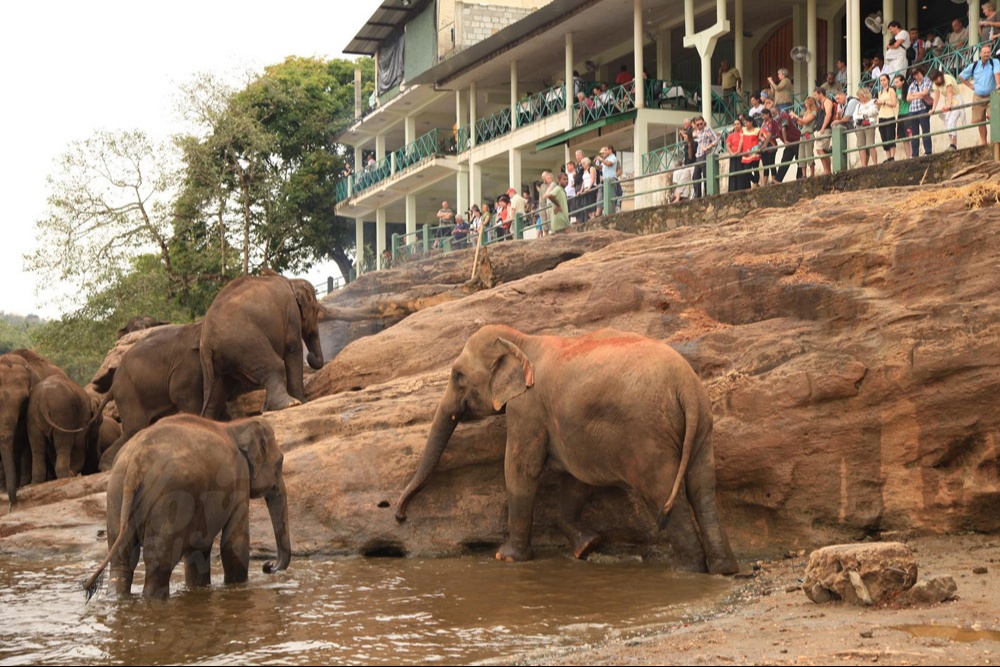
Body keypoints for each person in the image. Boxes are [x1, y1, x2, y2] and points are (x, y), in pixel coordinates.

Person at [959, 44, 1000, 145]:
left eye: (988, 52)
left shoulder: (994, 62)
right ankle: (984, 142)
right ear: (980, 54)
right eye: (984, 52)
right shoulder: (974, 65)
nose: (986, 54)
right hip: (978, 97)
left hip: (992, 95)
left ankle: (996, 141)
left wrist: (998, 84)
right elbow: (961, 76)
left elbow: (997, 74)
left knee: (994, 117)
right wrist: (970, 86)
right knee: (980, 120)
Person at [929, 68, 965, 151]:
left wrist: (949, 104)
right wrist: (933, 108)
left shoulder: (947, 78)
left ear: (940, 75)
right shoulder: (936, 83)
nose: (936, 82)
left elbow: (950, 92)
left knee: (952, 121)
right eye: (934, 80)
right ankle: (952, 144)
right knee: (947, 122)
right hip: (947, 102)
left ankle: (953, 145)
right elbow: (936, 96)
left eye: (936, 79)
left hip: (956, 100)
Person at [906, 67, 933, 157]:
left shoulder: (927, 81)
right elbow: (908, 98)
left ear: (921, 72)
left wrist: (914, 94)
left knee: (925, 130)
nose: (916, 76)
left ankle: (928, 152)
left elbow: (925, 93)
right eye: (914, 75)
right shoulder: (912, 84)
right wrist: (918, 95)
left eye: (917, 73)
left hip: (923, 108)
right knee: (914, 133)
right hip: (913, 110)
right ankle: (915, 154)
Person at [772, 101, 802, 183]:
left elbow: (784, 128)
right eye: (772, 113)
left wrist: (785, 140)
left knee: (799, 159)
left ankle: (800, 177)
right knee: (785, 160)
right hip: (789, 143)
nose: (773, 115)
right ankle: (778, 179)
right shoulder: (776, 121)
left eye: (774, 113)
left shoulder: (784, 116)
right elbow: (778, 132)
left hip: (796, 140)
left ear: (778, 110)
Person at [789, 97, 818, 178]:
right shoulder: (806, 113)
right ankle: (804, 174)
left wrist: (796, 116)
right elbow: (802, 124)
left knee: (809, 154)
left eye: (806, 103)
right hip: (802, 135)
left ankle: (812, 174)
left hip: (808, 134)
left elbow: (805, 122)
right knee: (801, 156)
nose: (805, 105)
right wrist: (795, 119)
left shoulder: (813, 113)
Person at [874, 73, 899, 162]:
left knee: (890, 136)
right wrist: (878, 104)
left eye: (884, 80)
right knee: (884, 137)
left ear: (888, 80)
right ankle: (888, 156)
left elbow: (894, 103)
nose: (883, 82)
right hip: (882, 116)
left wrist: (884, 102)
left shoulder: (891, 90)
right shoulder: (880, 92)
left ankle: (892, 156)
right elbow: (880, 106)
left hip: (890, 116)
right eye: (881, 80)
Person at [692, 117, 718, 197]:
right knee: (695, 176)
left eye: (701, 124)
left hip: (705, 154)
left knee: (706, 175)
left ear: (704, 122)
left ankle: (707, 193)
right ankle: (698, 195)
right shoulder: (699, 132)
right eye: (698, 124)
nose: (700, 125)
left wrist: (708, 147)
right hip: (698, 155)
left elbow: (716, 139)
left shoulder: (707, 129)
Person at [853, 88, 879, 168]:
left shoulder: (872, 102)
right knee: (861, 146)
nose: (859, 98)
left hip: (869, 124)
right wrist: (862, 115)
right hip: (859, 125)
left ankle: (875, 163)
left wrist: (863, 114)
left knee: (870, 144)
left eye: (860, 96)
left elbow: (873, 112)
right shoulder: (858, 105)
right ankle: (864, 165)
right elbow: (854, 115)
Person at [812, 87, 836, 175]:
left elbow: (828, 115)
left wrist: (823, 127)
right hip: (821, 129)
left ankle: (827, 170)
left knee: (821, 149)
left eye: (815, 95)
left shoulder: (827, 102)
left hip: (825, 129)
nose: (815, 97)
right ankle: (826, 169)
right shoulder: (821, 104)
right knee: (819, 150)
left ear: (820, 94)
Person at [736, 114, 762, 190]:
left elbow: (759, 141)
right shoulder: (743, 130)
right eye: (744, 123)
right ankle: (754, 181)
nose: (745, 124)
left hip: (754, 152)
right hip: (745, 153)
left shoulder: (757, 130)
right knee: (746, 170)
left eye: (747, 122)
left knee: (755, 169)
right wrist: (738, 150)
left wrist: (757, 149)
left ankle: (756, 183)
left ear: (751, 122)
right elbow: (741, 140)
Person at [757, 107, 780, 186]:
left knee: (771, 163)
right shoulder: (763, 123)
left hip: (771, 145)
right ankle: (764, 183)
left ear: (768, 114)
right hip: (764, 145)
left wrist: (765, 143)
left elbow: (770, 134)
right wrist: (762, 139)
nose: (762, 117)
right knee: (765, 164)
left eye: (763, 115)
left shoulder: (772, 123)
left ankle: (774, 180)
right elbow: (760, 135)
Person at [893, 73, 912, 159]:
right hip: (900, 115)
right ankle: (908, 156)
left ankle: (912, 155)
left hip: (907, 113)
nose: (895, 84)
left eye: (897, 82)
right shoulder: (896, 91)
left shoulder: (908, 89)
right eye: (895, 82)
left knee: (909, 136)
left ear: (903, 82)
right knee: (904, 138)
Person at [725, 119, 743, 192]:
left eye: (738, 124)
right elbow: (727, 145)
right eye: (735, 124)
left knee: (741, 173)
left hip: (741, 155)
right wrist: (731, 153)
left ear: (741, 125)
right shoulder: (731, 135)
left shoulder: (743, 133)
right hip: (733, 155)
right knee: (733, 172)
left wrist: (738, 152)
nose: (736, 126)